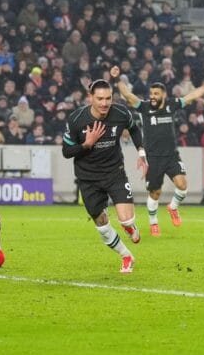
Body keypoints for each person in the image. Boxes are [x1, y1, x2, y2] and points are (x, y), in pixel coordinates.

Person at [117, 70, 204, 236]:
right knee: (155, 192)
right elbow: (127, 94)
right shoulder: (144, 107)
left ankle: (172, 207)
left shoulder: (171, 105)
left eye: (156, 93)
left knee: (182, 186)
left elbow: (193, 96)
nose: (152, 96)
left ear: (163, 95)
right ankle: (153, 223)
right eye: (151, 93)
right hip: (153, 157)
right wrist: (117, 78)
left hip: (171, 155)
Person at [62, 73, 147, 273]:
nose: (105, 103)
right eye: (100, 99)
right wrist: (87, 144)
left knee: (126, 219)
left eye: (108, 98)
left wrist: (141, 152)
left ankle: (130, 226)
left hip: (114, 172)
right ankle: (126, 256)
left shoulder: (121, 113)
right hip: (88, 178)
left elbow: (134, 129)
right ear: (90, 97)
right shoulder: (76, 119)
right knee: (101, 225)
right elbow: (66, 151)